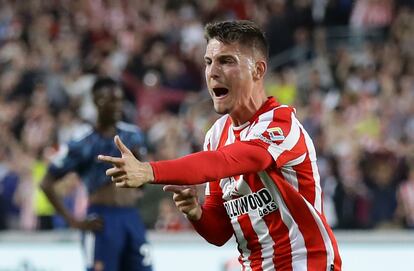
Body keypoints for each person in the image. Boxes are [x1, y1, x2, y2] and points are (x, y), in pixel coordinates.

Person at [99, 20, 342, 271]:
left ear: (258, 70)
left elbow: (224, 161)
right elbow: (219, 233)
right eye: (208, 62)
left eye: (226, 61)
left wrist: (149, 171)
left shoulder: (280, 125)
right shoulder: (216, 135)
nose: (213, 72)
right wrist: (196, 213)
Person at [41, 77, 152, 271]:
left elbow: (142, 181)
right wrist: (73, 221)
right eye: (110, 99)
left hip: (131, 215)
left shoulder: (133, 135)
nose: (116, 105)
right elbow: (46, 182)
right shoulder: (82, 141)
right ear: (95, 101)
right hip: (102, 218)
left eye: (119, 99)